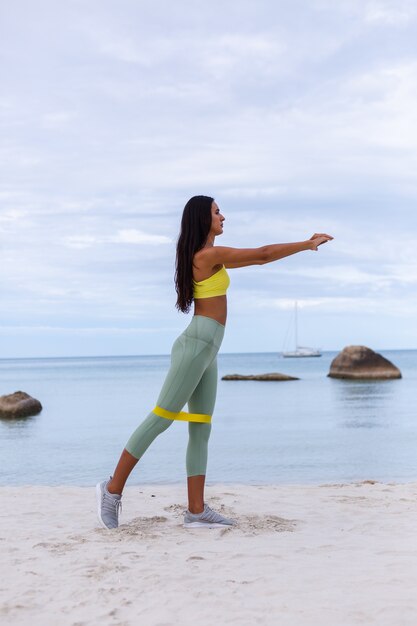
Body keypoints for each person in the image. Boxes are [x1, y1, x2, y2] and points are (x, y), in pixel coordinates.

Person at [96, 195, 333, 529]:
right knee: (161, 418)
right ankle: (111, 489)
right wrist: (308, 244)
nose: (223, 216)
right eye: (217, 212)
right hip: (195, 346)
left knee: (201, 427)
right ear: (201, 219)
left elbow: (260, 257)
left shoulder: (212, 257)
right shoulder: (207, 256)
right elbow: (263, 255)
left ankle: (196, 510)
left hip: (208, 349)